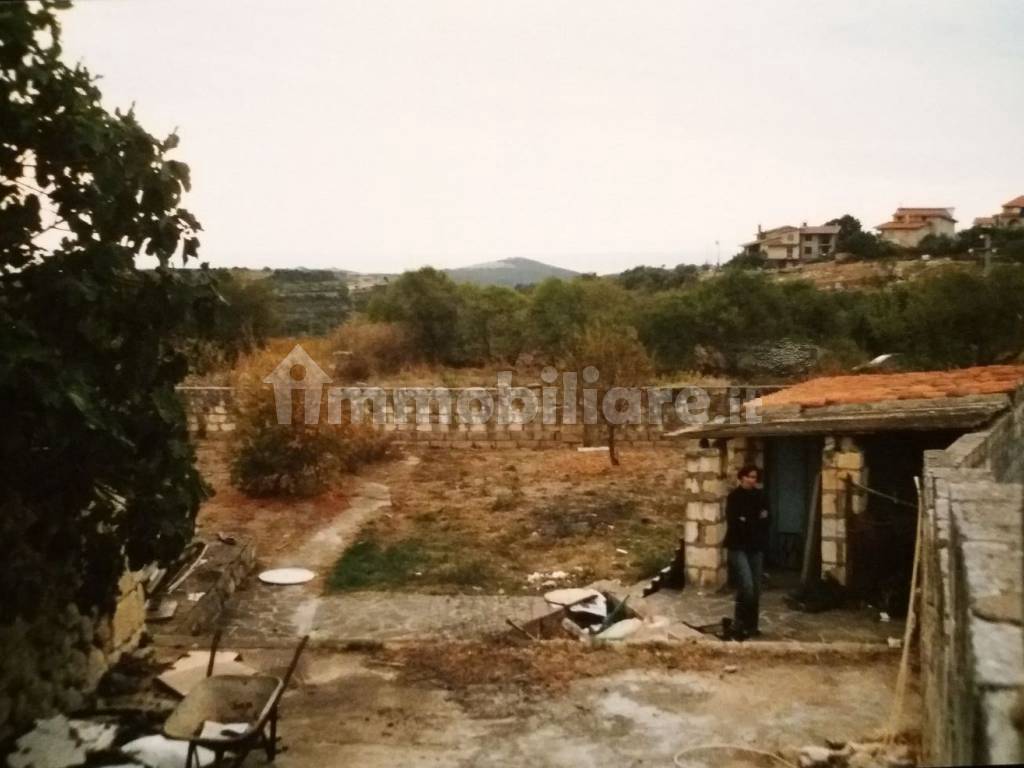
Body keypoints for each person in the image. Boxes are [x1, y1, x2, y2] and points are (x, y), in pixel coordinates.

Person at [723, 464, 770, 640]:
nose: (751, 480)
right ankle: (739, 621)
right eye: (749, 476)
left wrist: (747, 520)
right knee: (747, 585)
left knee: (755, 588)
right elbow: (734, 522)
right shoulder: (734, 497)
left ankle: (750, 625)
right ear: (741, 477)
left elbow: (767, 519)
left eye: (754, 477)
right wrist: (754, 520)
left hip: (755, 546)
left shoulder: (761, 496)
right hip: (738, 546)